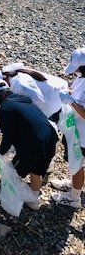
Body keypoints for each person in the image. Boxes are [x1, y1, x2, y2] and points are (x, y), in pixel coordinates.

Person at [0, 79, 58, 211]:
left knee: (14, 170)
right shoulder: (21, 99)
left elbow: (9, 138)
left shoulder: (4, 109)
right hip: (50, 137)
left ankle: (8, 199)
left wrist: (0, 152)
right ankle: (33, 199)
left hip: (33, 143)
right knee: (37, 171)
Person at [50, 47, 85, 209]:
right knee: (75, 162)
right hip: (75, 128)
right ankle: (73, 185)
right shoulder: (82, 78)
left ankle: (74, 197)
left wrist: (70, 101)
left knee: (78, 164)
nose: (75, 71)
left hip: (83, 135)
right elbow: (77, 93)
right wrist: (69, 92)